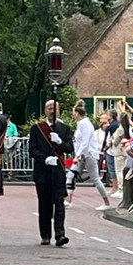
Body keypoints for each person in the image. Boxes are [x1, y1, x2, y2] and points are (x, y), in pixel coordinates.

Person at [30, 99, 74, 246]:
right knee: (44, 205)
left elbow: (69, 148)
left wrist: (60, 142)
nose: (52, 111)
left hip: (58, 172)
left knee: (59, 204)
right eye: (49, 108)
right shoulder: (36, 129)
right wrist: (45, 159)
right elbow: (32, 150)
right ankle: (45, 235)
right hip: (42, 172)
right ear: (45, 111)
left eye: (55, 108)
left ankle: (60, 235)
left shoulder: (65, 129)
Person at [66, 102, 112, 211]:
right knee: (71, 176)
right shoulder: (81, 124)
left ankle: (107, 203)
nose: (73, 115)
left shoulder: (85, 125)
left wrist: (76, 156)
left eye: (73, 113)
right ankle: (68, 200)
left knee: (95, 179)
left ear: (77, 113)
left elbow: (85, 142)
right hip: (82, 155)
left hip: (89, 155)